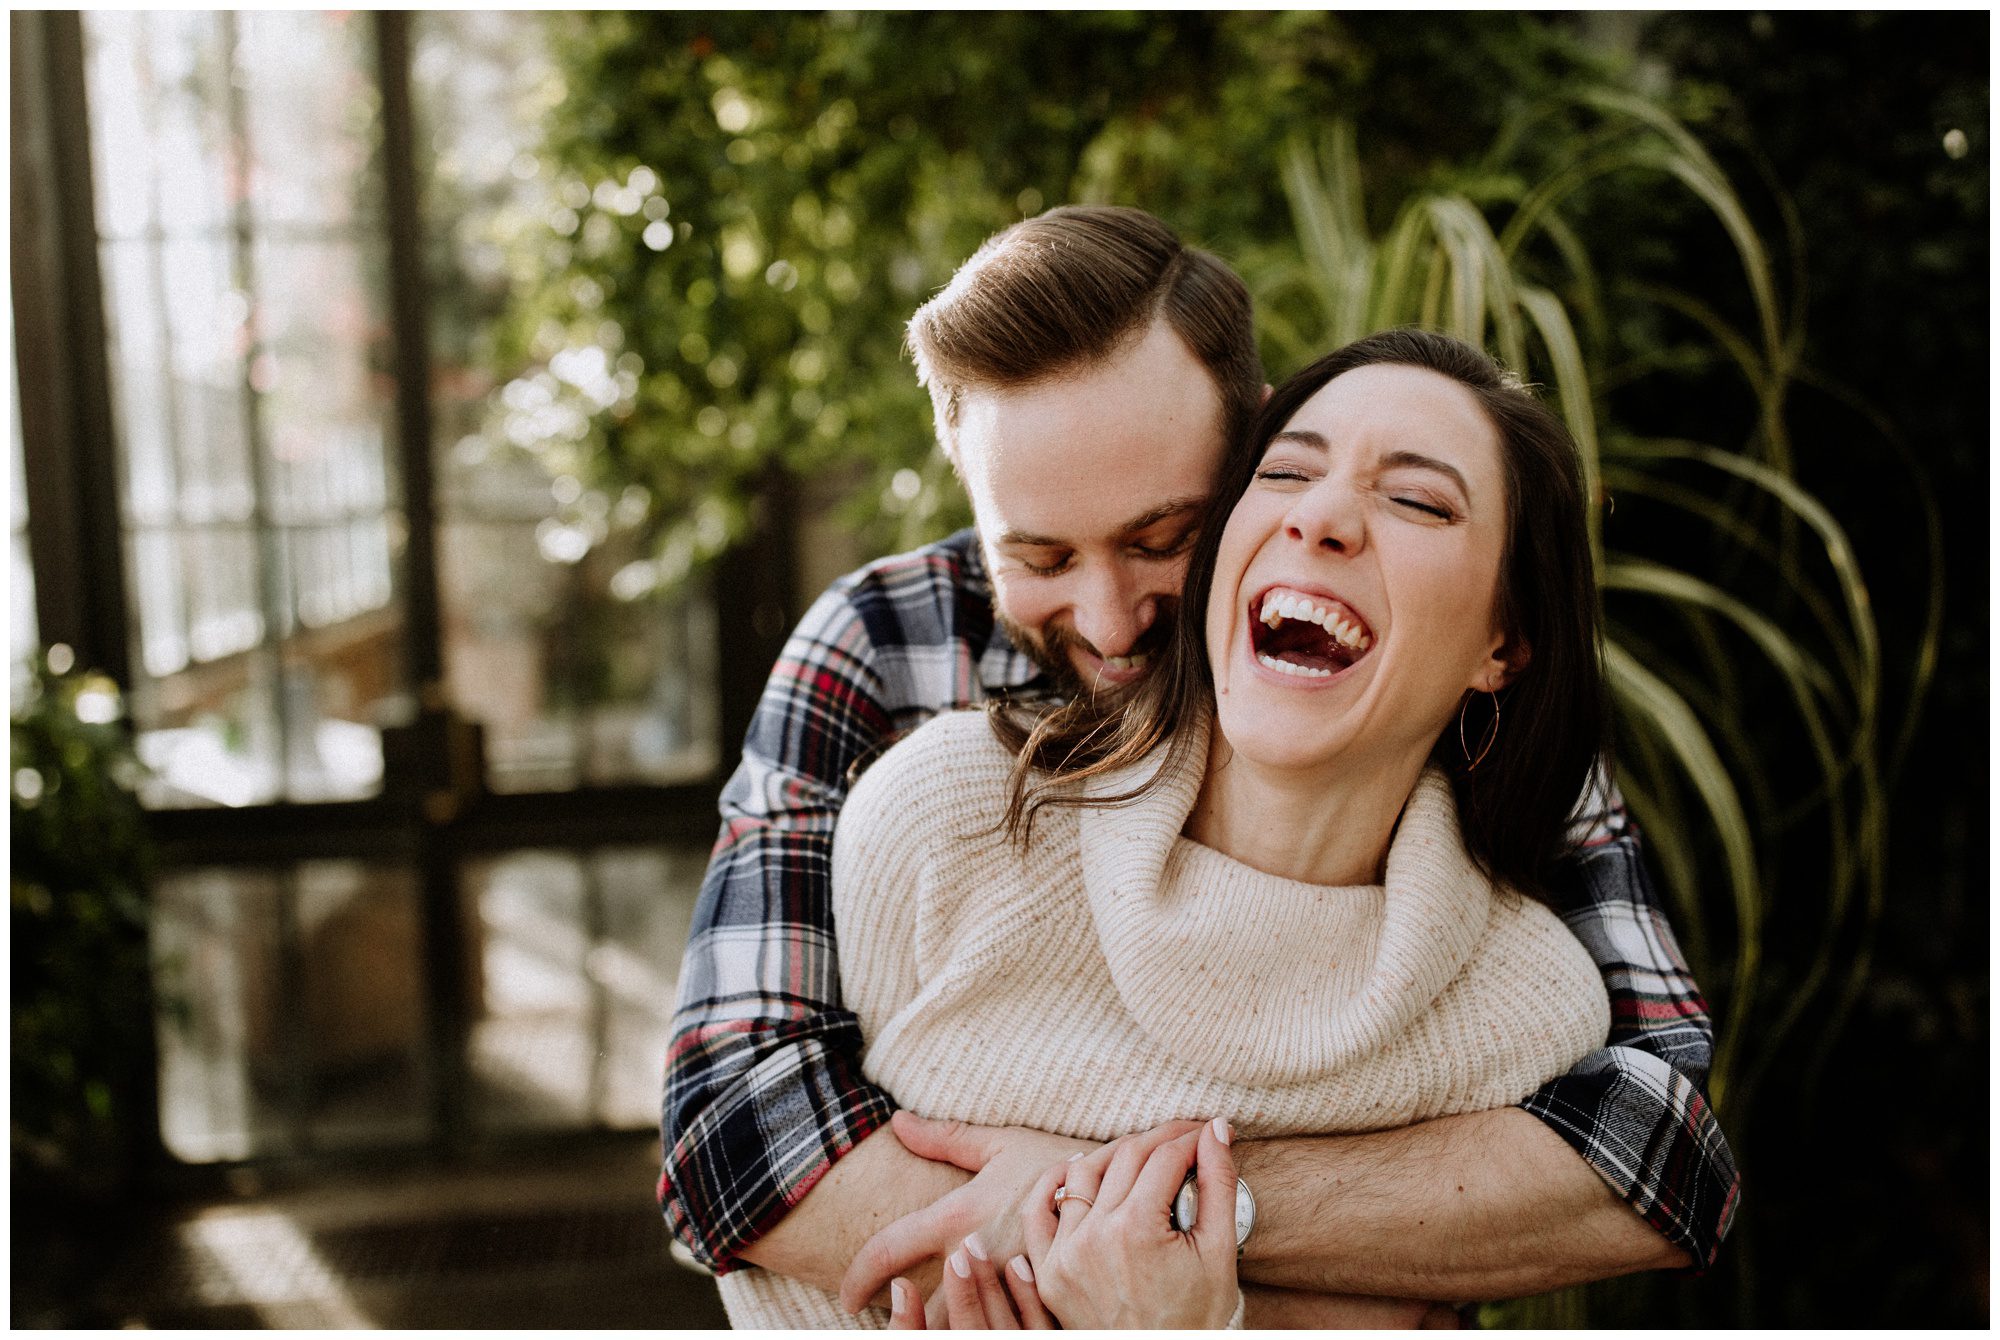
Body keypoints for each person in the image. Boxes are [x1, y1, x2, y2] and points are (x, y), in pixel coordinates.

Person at [661, 207, 1737, 1327]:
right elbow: (729, 1137)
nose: (1110, 620)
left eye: (1159, 537)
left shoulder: (1436, 700)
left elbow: (1654, 1153)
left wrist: (1180, 1219)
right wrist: (1145, 1254)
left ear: (1256, 447)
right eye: (1036, 555)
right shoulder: (889, 658)